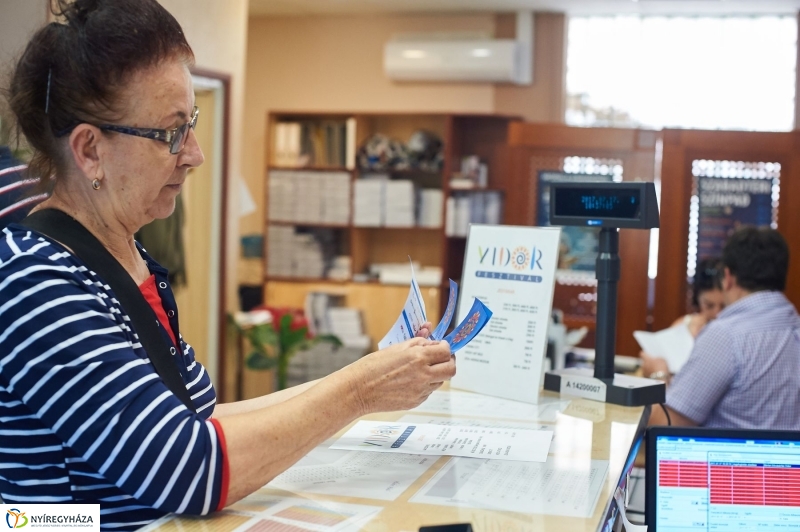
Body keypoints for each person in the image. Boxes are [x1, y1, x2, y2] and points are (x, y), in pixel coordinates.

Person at [0, 1, 455, 530]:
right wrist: (359, 391)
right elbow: (187, 468)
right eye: (171, 133)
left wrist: (372, 377)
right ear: (90, 150)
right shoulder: (37, 281)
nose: (193, 154)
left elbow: (195, 422)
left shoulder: (126, 257)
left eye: (189, 124)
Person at [649, 227, 800, 429]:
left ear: (727, 278)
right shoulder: (793, 325)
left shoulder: (726, 336)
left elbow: (666, 423)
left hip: (730, 460)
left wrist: (658, 376)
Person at [639, 257, 725, 380]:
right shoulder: (683, 326)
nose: (717, 313)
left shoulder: (734, 333)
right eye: (709, 305)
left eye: (724, 306)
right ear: (697, 299)